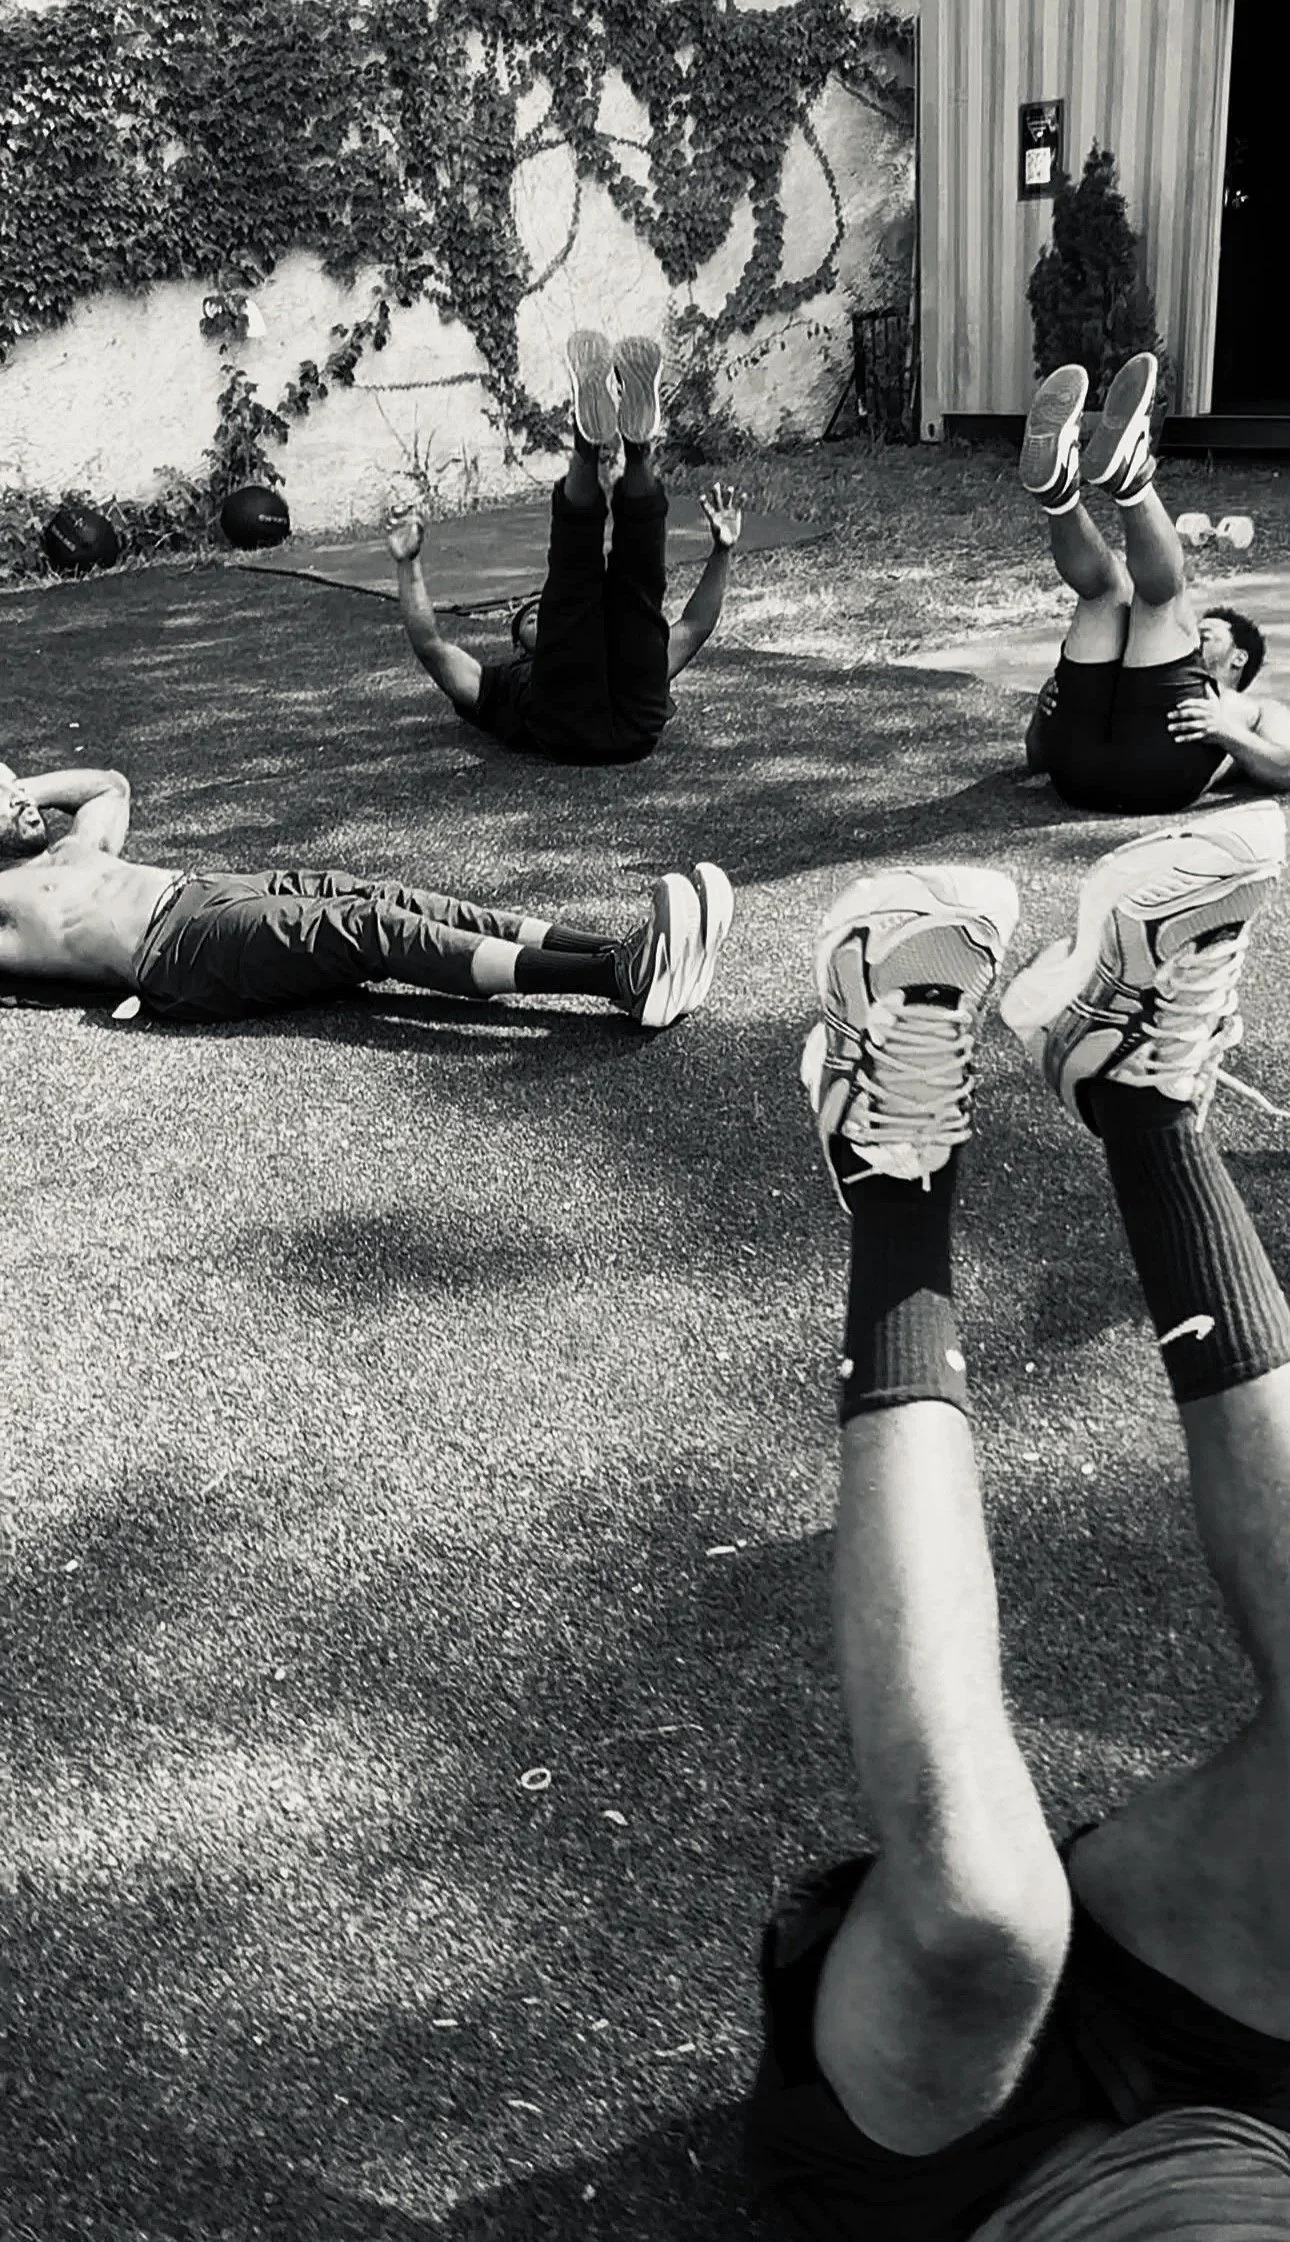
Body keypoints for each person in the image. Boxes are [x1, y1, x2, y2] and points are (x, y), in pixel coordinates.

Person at [747, 800, 1290, 2239]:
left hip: (941, 2177)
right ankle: (1137, 1099)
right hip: (1244, 2056)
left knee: (978, 1914)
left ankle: (891, 1177)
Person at [0, 761, 731, 1027]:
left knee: (395, 898)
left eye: (13, 788)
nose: (19, 800)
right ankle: (619, 980)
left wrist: (17, 784)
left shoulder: (74, 847)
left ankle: (627, 951)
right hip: (178, 955)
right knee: (369, 929)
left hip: (207, 891)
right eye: (2, 799)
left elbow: (109, 787)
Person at [388, 330, 742, 766]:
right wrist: (722, 551)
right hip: (600, 723)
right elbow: (432, 648)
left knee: (611, 585)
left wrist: (408, 564)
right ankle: (619, 448)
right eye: (531, 619)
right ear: (520, 646)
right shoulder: (507, 681)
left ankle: (620, 446)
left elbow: (691, 625)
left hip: (615, 712)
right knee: (616, 590)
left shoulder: (526, 674)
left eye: (536, 611)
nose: (537, 616)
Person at [1020, 352, 1290, 811]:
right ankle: (1059, 496)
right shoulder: (1151, 656)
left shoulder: (1255, 708)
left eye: (1211, 632)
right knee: (1109, 593)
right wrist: (1044, 715)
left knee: (1158, 600)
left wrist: (1224, 730)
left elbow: (1285, 767)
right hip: (1075, 766)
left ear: (1239, 657)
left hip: (1159, 768)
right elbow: (1036, 757)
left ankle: (1129, 479)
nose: (1198, 631)